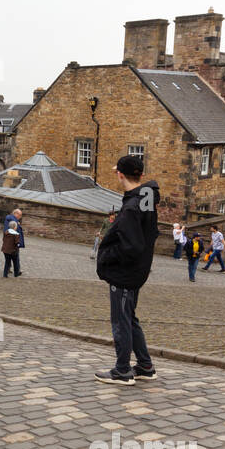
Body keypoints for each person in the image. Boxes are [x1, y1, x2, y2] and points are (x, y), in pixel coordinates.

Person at [94, 155, 160, 384]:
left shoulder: (132, 207)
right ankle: (145, 365)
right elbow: (148, 234)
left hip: (125, 273)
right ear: (141, 175)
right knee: (129, 318)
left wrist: (106, 258)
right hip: (138, 270)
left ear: (120, 174)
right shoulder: (145, 197)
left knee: (121, 320)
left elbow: (131, 245)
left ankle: (122, 370)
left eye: (117, 171)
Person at [2, 208, 25, 277]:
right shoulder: (12, 220)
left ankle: (8, 271)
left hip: (9, 244)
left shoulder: (13, 220)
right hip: (13, 244)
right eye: (20, 215)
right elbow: (9, 231)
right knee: (16, 258)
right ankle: (16, 272)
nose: (20, 217)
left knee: (9, 259)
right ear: (16, 214)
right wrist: (18, 243)